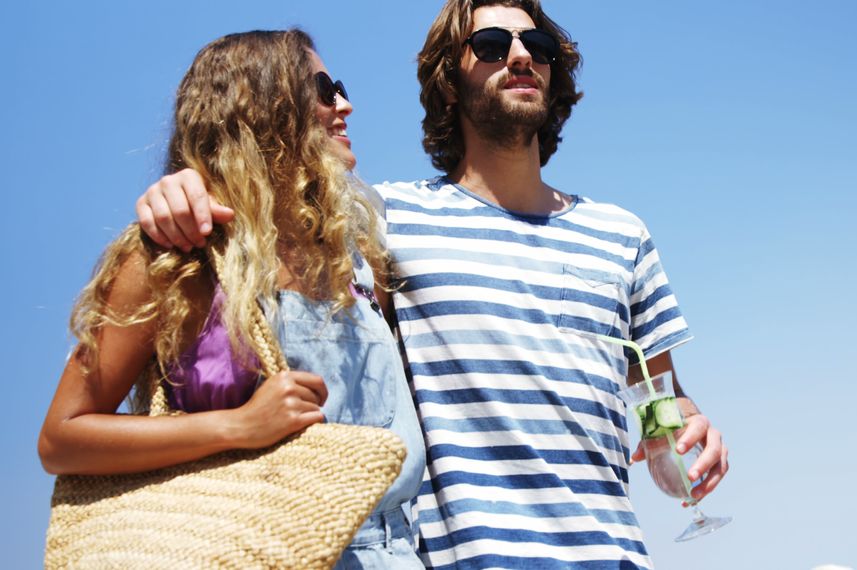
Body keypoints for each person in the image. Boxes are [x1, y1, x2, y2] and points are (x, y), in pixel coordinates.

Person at [134, 1, 730, 567]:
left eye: (539, 45)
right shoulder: (383, 221)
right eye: (492, 45)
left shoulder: (622, 235)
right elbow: (265, 196)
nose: (521, 56)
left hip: (615, 555)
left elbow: (663, 393)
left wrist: (685, 427)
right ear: (448, 80)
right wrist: (185, 186)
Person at [38, 30, 426, 569]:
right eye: (322, 88)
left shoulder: (356, 249)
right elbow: (62, 437)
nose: (344, 103)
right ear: (261, 105)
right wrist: (237, 427)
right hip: (252, 549)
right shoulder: (180, 257)